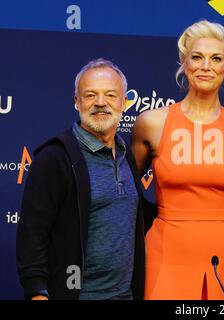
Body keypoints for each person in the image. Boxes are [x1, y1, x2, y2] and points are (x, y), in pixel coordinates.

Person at [131, 20, 224, 300]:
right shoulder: (151, 123)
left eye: (216, 59)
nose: (205, 66)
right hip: (165, 253)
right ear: (184, 63)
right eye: (197, 57)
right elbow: (125, 191)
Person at [16, 58, 149, 300]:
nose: (100, 103)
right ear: (77, 102)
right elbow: (32, 235)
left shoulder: (125, 154)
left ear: (124, 102)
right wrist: (37, 292)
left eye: (110, 95)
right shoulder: (54, 158)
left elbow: (137, 214)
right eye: (90, 95)